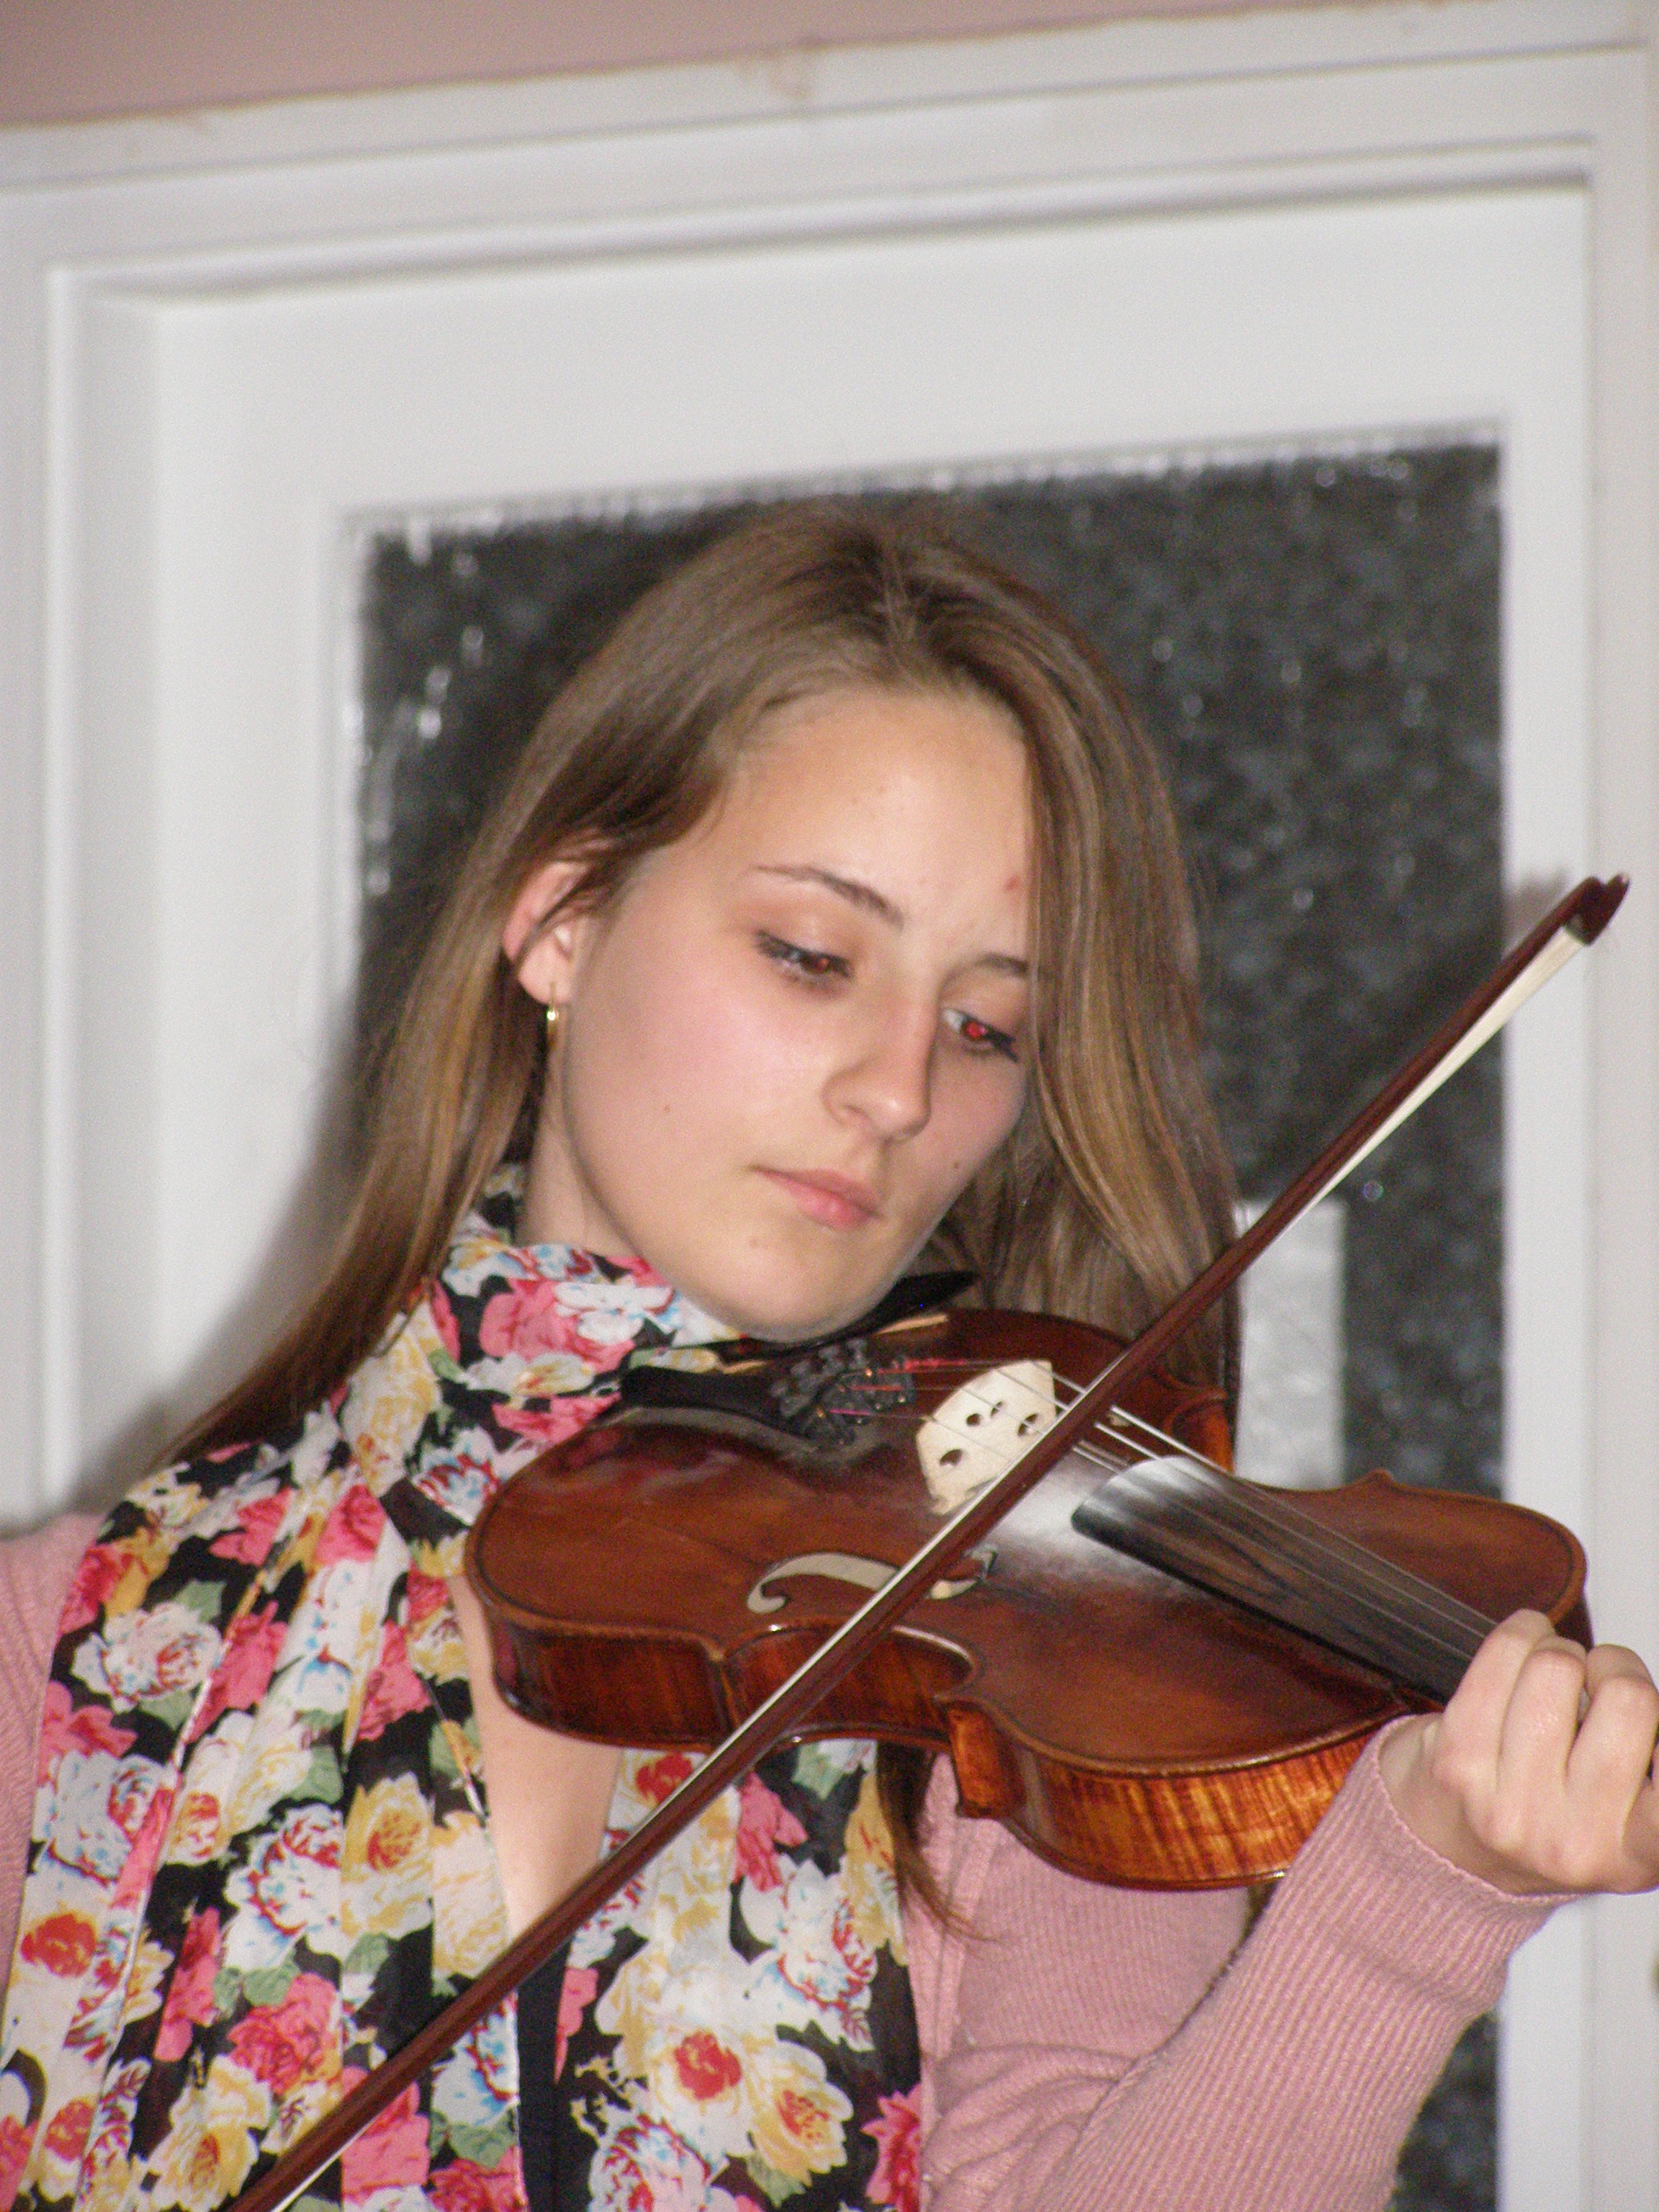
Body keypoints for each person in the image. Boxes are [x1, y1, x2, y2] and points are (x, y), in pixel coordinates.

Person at [1, 505, 1655, 2212]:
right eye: (812, 956)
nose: (899, 1088)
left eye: (985, 1024)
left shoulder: (1030, 1666)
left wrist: (1414, 1897)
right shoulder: (64, 1651)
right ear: (561, 918)